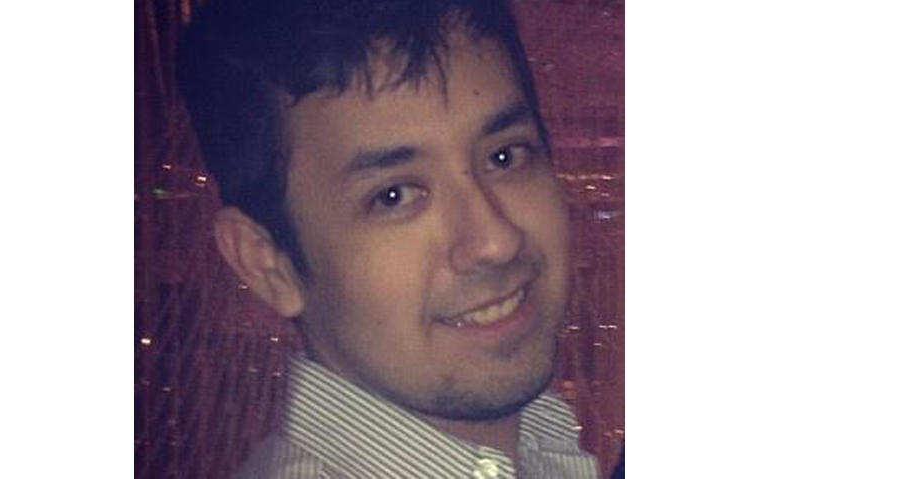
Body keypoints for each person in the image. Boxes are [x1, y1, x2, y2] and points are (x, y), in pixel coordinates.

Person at [177, 0, 598, 477]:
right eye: (393, 196)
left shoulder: (544, 446)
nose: (496, 241)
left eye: (505, 156)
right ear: (268, 265)